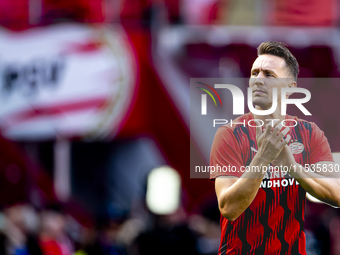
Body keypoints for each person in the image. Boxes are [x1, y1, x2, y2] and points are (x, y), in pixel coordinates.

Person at [210, 41, 340, 254]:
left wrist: (292, 167)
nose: (258, 80)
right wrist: (262, 158)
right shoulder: (230, 134)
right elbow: (229, 208)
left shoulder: (309, 133)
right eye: (254, 73)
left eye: (269, 74)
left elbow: (337, 194)